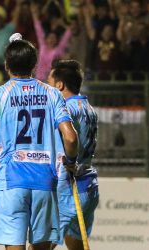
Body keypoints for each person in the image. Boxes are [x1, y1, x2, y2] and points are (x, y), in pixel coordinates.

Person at [0, 34, 78, 250]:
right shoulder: (52, 94)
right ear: (35, 65)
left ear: (6, 66)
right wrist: (70, 162)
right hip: (45, 182)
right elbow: (71, 138)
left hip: (12, 183)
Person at [47, 60, 99, 250]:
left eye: (49, 82)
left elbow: (69, 140)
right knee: (76, 244)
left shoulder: (65, 110)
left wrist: (69, 161)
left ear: (59, 85)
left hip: (70, 185)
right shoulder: (89, 108)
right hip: (89, 183)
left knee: (41, 246)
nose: (46, 87)